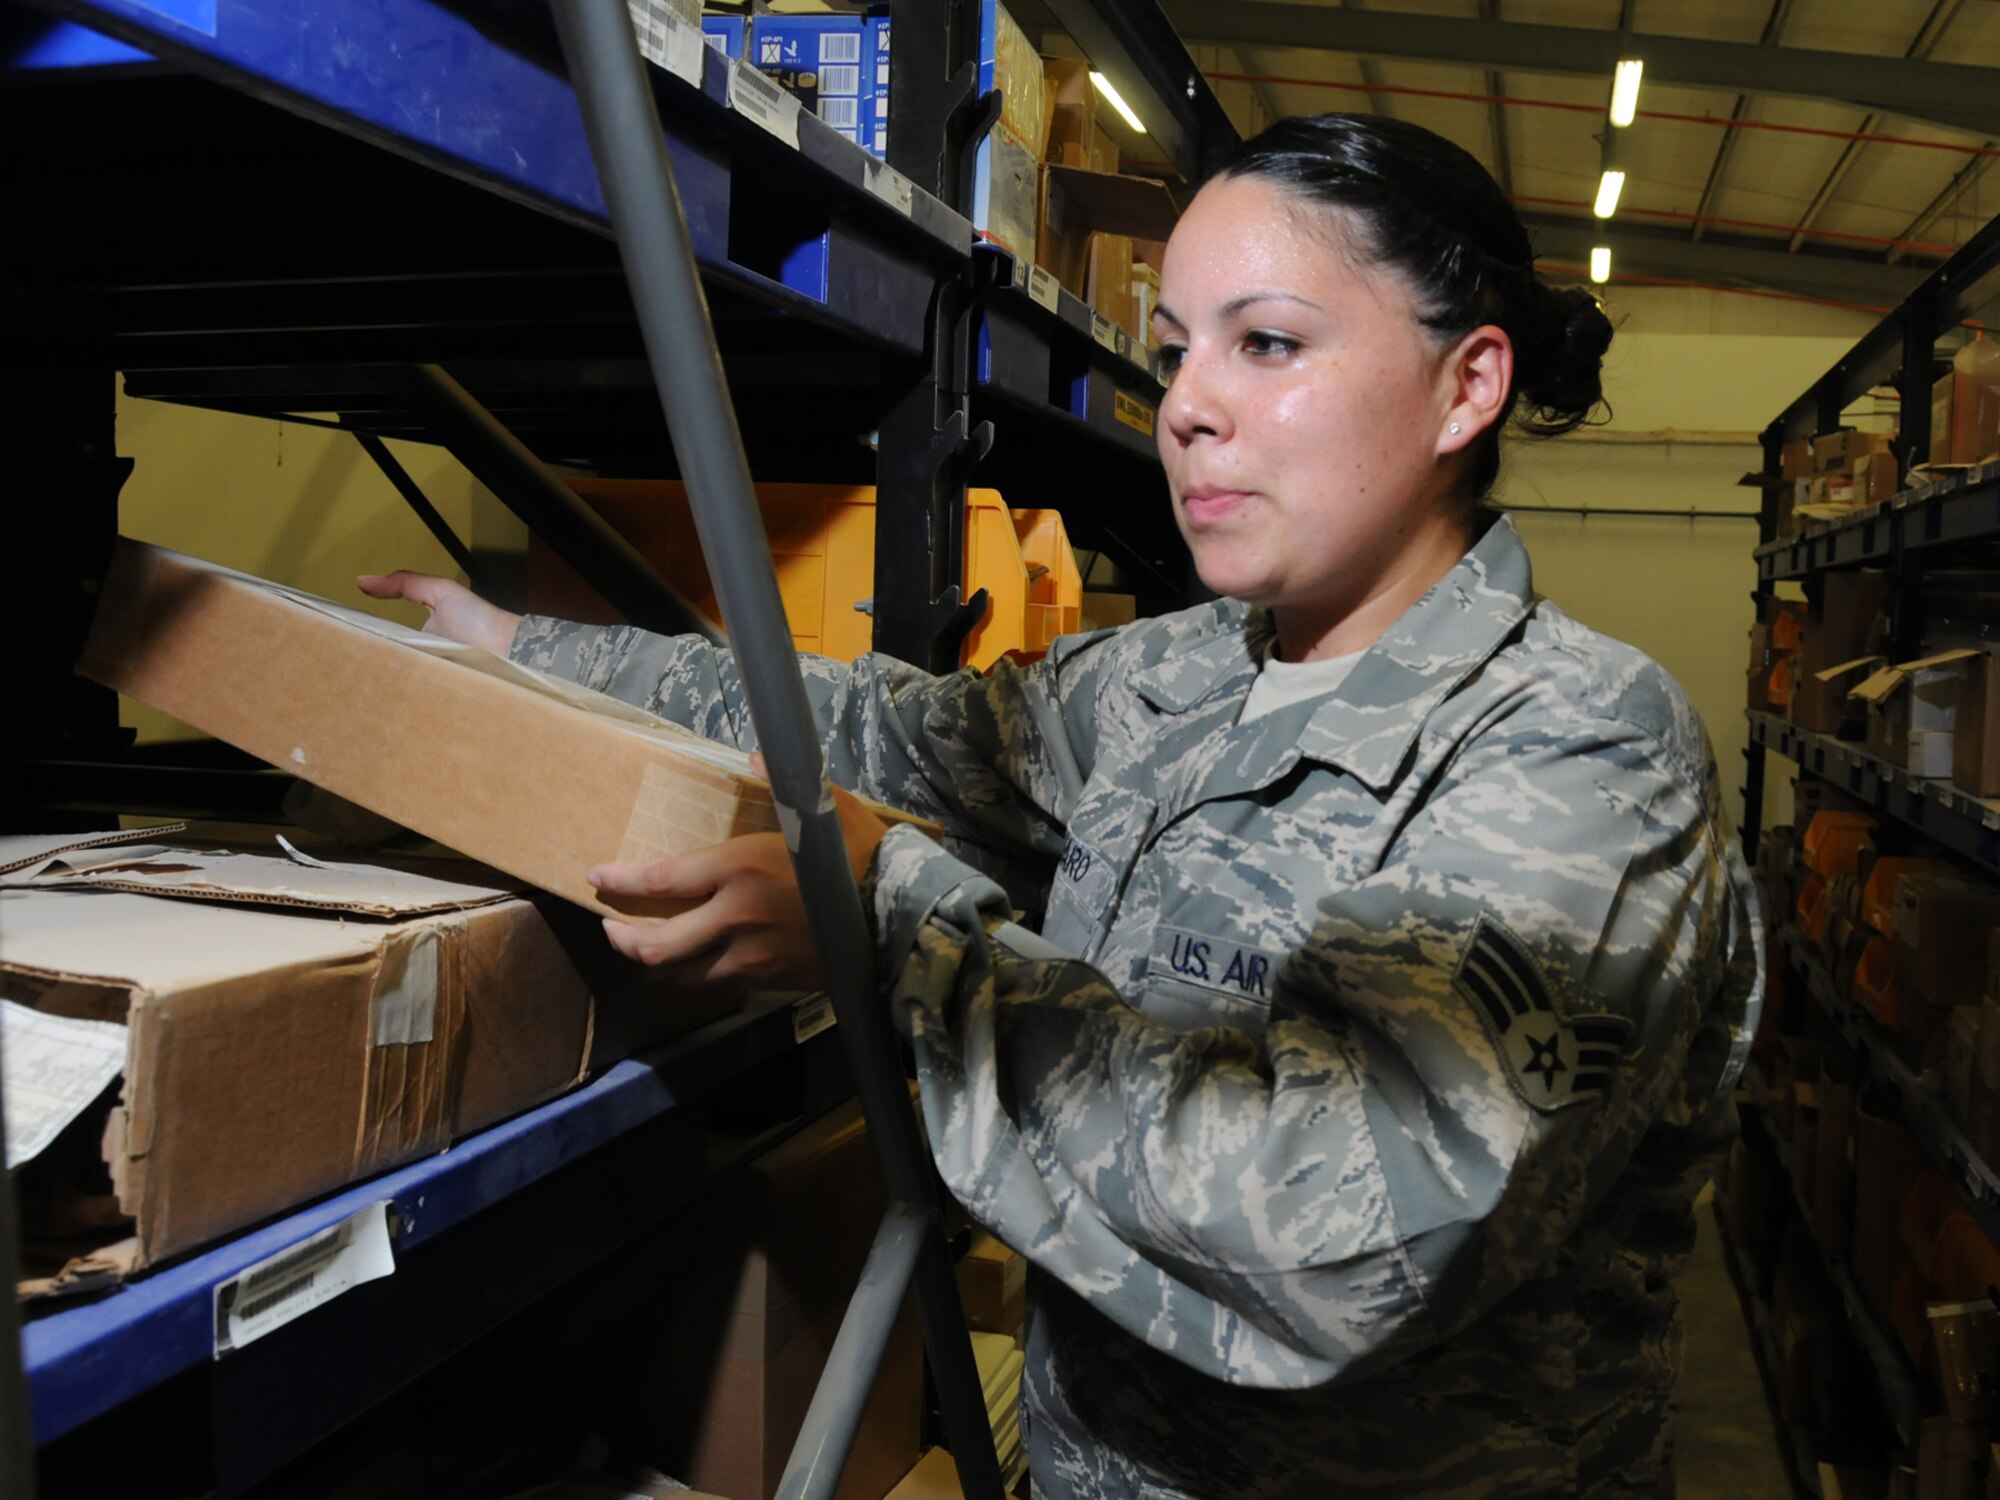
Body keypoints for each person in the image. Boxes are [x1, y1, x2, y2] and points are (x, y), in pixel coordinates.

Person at [363, 113, 1762, 1498]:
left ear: (1468, 388)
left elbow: (1343, 1235)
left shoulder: (1582, 754)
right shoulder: (1179, 677)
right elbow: (883, 733)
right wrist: (527, 652)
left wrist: (894, 925)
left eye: (1268, 344)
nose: (1188, 407)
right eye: (1176, 350)